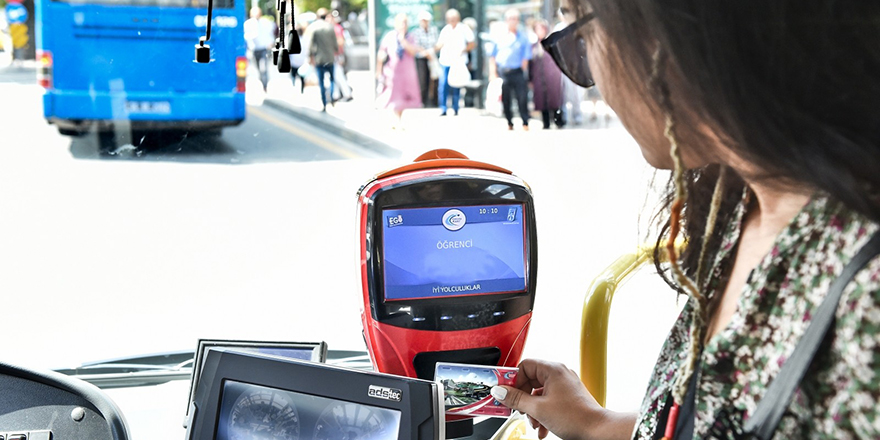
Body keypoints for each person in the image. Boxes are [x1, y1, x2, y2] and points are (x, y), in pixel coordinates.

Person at [487, 1, 880, 439]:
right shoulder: (739, 202)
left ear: (664, 32)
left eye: (581, 37)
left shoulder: (867, 291)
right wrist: (594, 425)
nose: (590, 76)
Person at [376, 13, 422, 129]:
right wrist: (379, 70)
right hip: (393, 72)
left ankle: (400, 119)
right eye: (401, 22)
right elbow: (381, 53)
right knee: (393, 96)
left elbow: (413, 52)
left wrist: (403, 40)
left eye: (405, 22)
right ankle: (395, 119)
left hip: (407, 72)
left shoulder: (410, 37)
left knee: (405, 96)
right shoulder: (390, 36)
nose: (403, 25)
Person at [489, 9, 532, 130]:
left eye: (515, 19)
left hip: (517, 72)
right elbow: (492, 57)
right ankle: (509, 122)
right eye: (510, 19)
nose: (512, 21)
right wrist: (493, 73)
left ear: (518, 21)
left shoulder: (523, 38)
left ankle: (525, 122)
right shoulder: (499, 37)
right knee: (506, 99)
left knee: (522, 98)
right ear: (506, 21)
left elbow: (526, 58)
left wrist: (521, 70)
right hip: (503, 73)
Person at [434, 8, 475, 116]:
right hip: (446, 61)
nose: (452, 21)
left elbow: (472, 44)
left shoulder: (464, 29)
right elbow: (439, 44)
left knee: (456, 84)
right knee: (443, 84)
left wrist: (463, 50)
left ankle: (455, 108)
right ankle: (443, 108)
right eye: (450, 19)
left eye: (454, 18)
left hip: (458, 61)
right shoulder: (445, 30)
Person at [528, 19, 564, 129]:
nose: (540, 31)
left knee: (555, 99)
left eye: (542, 28)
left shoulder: (553, 43)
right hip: (539, 76)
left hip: (552, 76)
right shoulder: (533, 46)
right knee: (541, 99)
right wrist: (530, 79)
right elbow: (530, 63)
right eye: (538, 29)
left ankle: (558, 121)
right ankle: (546, 122)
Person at [307, 8, 338, 111]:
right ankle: (332, 96)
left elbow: (311, 45)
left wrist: (310, 57)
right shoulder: (330, 27)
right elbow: (335, 44)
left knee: (321, 82)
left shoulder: (314, 28)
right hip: (330, 57)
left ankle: (324, 102)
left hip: (319, 59)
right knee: (332, 79)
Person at [243, 6, 277, 92]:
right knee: (258, 68)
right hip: (254, 49)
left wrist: (271, 43)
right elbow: (245, 36)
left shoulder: (266, 23)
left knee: (263, 68)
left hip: (264, 48)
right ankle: (262, 81)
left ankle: (265, 85)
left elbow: (270, 34)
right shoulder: (248, 24)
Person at [412, 10, 439, 107]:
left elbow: (437, 43)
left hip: (432, 57)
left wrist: (431, 52)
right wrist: (426, 53)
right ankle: (422, 101)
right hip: (421, 58)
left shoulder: (434, 30)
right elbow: (416, 45)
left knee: (434, 79)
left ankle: (434, 102)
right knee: (422, 81)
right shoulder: (416, 32)